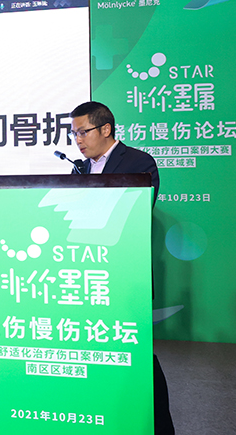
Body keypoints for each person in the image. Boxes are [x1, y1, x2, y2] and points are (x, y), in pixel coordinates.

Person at [69, 101, 175, 435]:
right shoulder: (79, 170)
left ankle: (158, 427)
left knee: (136, 354)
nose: (78, 140)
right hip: (86, 274)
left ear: (105, 129)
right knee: (95, 352)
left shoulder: (139, 162)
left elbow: (132, 214)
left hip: (124, 276)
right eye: (74, 134)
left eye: (83, 132)